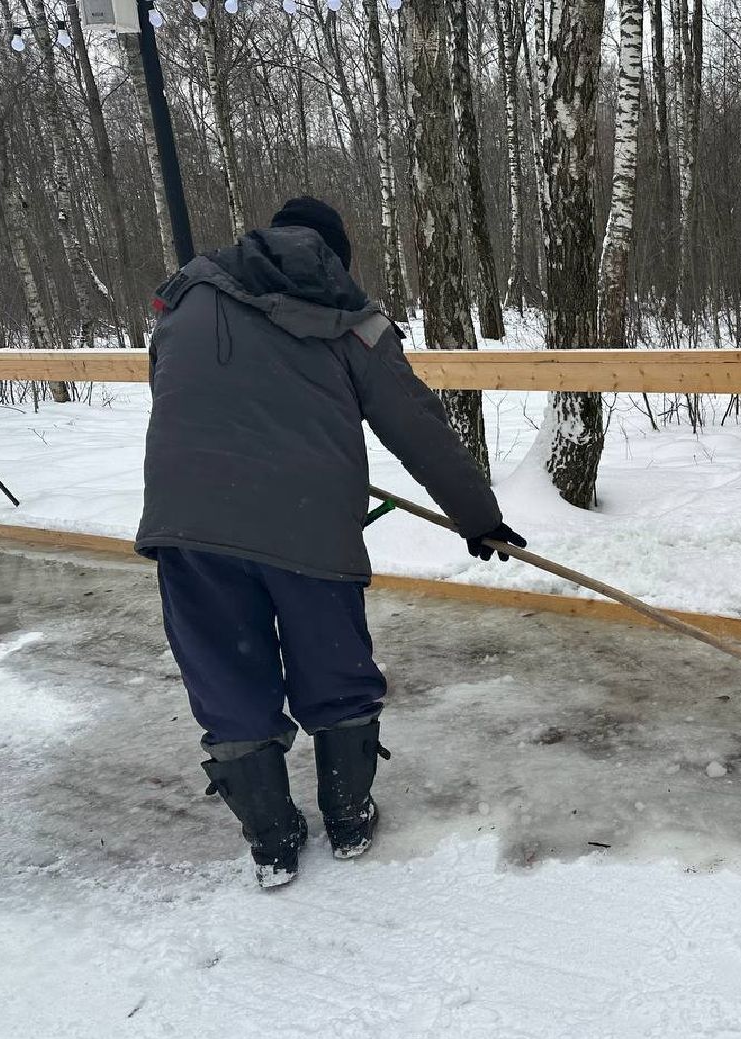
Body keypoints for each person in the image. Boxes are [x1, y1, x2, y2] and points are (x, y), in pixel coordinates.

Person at [136, 196, 525, 887]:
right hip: (309, 521)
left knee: (228, 675)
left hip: (189, 525)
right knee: (334, 664)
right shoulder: (356, 320)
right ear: (334, 257)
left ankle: (272, 842)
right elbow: (417, 426)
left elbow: (176, 388)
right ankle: (347, 818)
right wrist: (478, 517)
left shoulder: (185, 296)